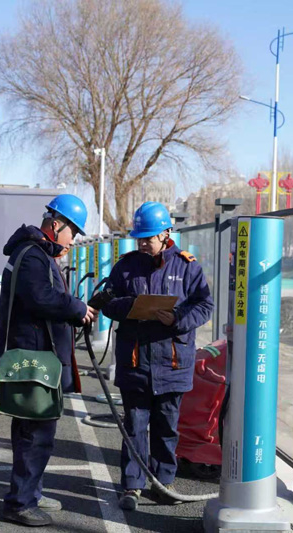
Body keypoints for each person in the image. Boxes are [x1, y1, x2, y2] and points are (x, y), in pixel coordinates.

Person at [101, 201, 214, 511]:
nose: (142, 243)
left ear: (166, 233)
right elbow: (107, 303)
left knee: (167, 427)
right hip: (135, 361)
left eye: (148, 237)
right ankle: (132, 485)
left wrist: (176, 318)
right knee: (135, 426)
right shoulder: (125, 266)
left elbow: (204, 306)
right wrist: (133, 307)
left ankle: (164, 482)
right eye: (140, 238)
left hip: (172, 362)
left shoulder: (188, 265)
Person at [0, 193, 96, 527]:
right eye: (73, 233)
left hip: (38, 359)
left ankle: (31, 494)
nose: (73, 240)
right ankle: (20, 503)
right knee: (34, 435)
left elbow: (45, 297)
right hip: (33, 360)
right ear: (56, 225)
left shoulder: (34, 253)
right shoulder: (33, 256)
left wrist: (72, 308)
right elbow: (41, 298)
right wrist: (76, 308)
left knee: (35, 432)